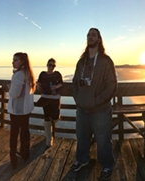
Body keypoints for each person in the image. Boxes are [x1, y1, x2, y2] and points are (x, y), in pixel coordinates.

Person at [70, 27, 118, 180]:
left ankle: (107, 164)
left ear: (99, 39)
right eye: (88, 35)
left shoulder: (105, 61)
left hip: (100, 110)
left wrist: (97, 101)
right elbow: (75, 82)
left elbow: (112, 85)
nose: (90, 37)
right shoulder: (81, 62)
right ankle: (82, 159)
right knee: (82, 137)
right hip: (82, 109)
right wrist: (78, 99)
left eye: (93, 35)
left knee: (103, 139)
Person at [7, 52, 36, 168]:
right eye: (13, 60)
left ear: (22, 62)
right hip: (26, 110)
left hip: (17, 111)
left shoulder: (19, 75)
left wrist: (9, 88)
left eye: (16, 60)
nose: (13, 62)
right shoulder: (29, 73)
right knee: (25, 132)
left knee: (14, 134)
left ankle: (13, 158)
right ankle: (25, 154)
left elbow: (15, 93)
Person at [36, 58, 63, 147]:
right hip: (45, 97)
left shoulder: (57, 74)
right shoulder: (42, 74)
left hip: (55, 98)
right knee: (46, 117)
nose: (51, 67)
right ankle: (49, 138)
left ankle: (55, 118)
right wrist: (38, 85)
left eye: (53, 65)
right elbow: (38, 82)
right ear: (47, 65)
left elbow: (61, 83)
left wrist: (56, 86)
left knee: (55, 117)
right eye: (50, 65)